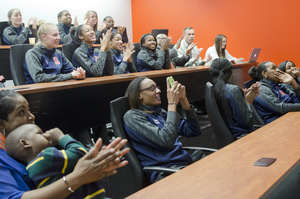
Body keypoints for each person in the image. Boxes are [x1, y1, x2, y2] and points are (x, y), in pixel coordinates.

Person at [0, 89, 129, 198]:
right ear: (1, 124)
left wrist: (93, 162)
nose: (32, 116)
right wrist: (77, 177)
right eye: (21, 112)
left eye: (29, 110)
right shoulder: (5, 157)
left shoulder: (34, 147)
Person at [123, 76, 204, 183]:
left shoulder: (159, 112)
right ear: (139, 96)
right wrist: (172, 104)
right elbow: (166, 140)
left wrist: (183, 100)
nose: (159, 91)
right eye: (152, 88)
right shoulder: (132, 117)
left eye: (157, 87)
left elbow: (193, 130)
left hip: (183, 164)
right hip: (167, 172)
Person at [6, 124, 108, 199]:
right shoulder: (47, 156)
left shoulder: (31, 170)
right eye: (40, 133)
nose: (46, 135)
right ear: (25, 143)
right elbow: (80, 153)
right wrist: (61, 137)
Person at [209, 58, 260, 139]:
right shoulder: (233, 90)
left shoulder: (213, 90)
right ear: (231, 72)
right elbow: (247, 123)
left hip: (230, 136)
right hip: (244, 137)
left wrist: (241, 99)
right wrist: (247, 103)